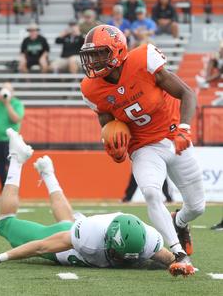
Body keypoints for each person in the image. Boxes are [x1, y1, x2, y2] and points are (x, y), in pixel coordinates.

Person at [0, 129, 194, 277]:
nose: (123, 261)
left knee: (68, 221)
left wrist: (181, 263)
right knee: (5, 225)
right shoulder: (88, 237)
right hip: (70, 242)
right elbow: (41, 246)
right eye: (120, 254)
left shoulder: (150, 240)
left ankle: (48, 173)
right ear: (107, 241)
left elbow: (168, 258)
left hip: (78, 226)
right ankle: (17, 158)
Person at [79, 25, 205, 264]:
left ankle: (179, 221)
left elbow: (188, 93)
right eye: (90, 55)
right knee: (150, 192)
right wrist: (115, 146)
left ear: (117, 51)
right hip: (144, 147)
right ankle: (179, 254)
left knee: (197, 207)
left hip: (173, 137)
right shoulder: (91, 88)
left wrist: (184, 129)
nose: (93, 60)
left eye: (99, 53)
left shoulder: (143, 60)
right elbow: (107, 123)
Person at [0, 83, 25, 190]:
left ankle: (11, 192)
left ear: (12, 92)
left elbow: (16, 119)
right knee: (0, 168)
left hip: (10, 141)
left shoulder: (16, 103)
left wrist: (8, 104)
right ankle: (3, 192)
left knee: (10, 168)